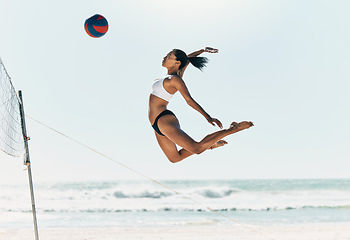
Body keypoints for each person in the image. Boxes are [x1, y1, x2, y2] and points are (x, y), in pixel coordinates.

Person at [149, 47, 253, 163]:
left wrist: (208, 117)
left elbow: (189, 100)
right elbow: (187, 59)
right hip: (155, 123)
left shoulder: (175, 80)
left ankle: (232, 129)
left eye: (169, 56)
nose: (164, 57)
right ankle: (209, 145)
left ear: (177, 62)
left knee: (197, 148)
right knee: (174, 158)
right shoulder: (168, 77)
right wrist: (202, 50)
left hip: (163, 119)